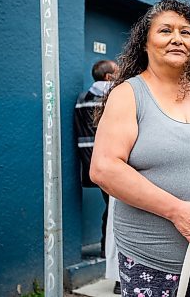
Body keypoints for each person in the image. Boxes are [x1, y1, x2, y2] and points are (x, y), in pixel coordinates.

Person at [90, 0, 190, 296]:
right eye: (165, 31)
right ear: (145, 44)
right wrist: (177, 211)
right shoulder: (128, 95)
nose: (177, 38)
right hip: (150, 262)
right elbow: (104, 168)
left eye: (185, 32)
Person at [74, 60, 121, 294]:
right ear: (109, 78)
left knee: (112, 213)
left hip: (93, 165)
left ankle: (106, 253)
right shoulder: (114, 98)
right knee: (119, 217)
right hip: (114, 167)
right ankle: (119, 274)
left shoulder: (83, 98)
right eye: (118, 70)